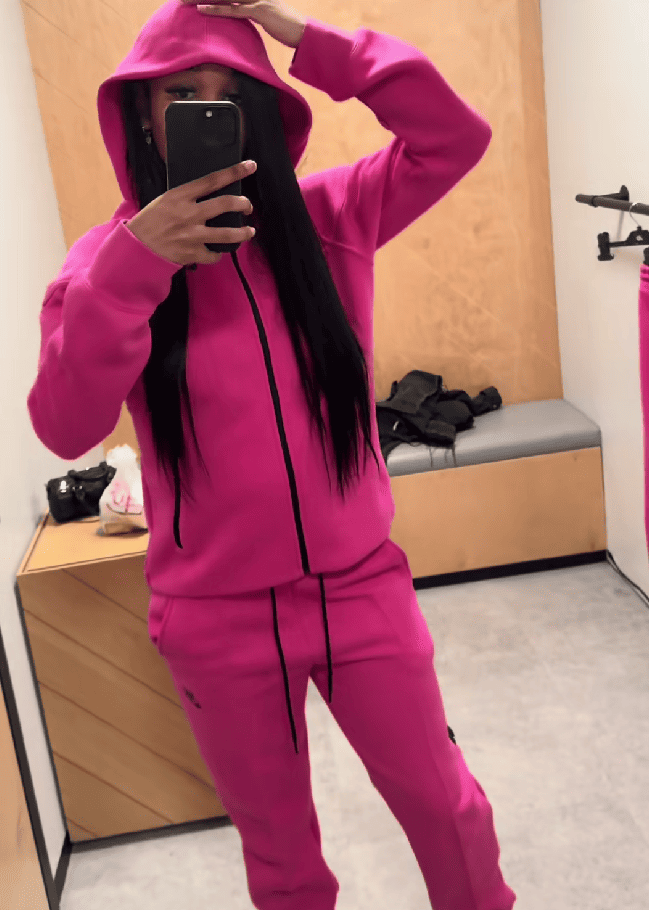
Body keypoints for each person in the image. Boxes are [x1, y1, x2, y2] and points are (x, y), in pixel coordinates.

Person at [27, 1, 517, 908]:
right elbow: (64, 425)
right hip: (214, 620)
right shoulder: (102, 265)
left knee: (446, 810)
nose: (206, 111)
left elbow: (455, 136)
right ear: (143, 114)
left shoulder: (333, 217)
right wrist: (135, 269)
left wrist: (292, 29)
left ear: (259, 113)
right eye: (182, 94)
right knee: (282, 862)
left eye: (230, 95)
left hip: (362, 588)